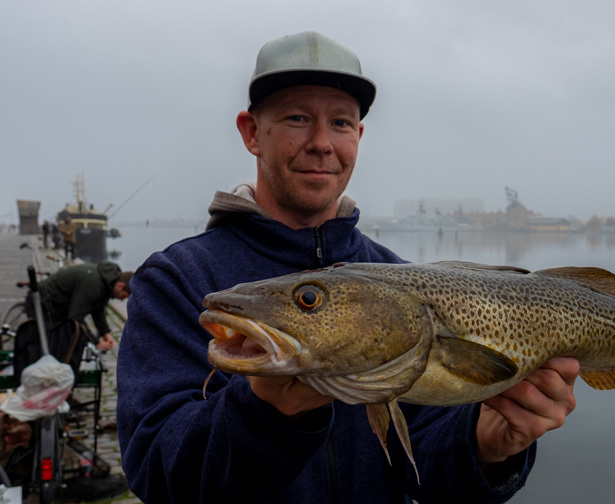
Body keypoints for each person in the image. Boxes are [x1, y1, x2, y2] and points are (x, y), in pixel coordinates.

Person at [116, 31, 578, 503]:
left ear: (358, 136)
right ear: (252, 132)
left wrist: (484, 444)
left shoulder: (398, 277)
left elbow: (422, 468)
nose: (321, 143)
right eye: (297, 118)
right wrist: (266, 412)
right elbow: (157, 473)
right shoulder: (175, 280)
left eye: (340, 122)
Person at [24, 261, 132, 351]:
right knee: (49, 345)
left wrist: (105, 333)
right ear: (120, 286)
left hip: (59, 308)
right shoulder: (93, 285)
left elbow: (98, 310)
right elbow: (76, 317)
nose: (122, 300)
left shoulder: (106, 284)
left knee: (63, 343)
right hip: (42, 303)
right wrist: (96, 343)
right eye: (123, 296)